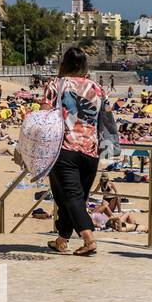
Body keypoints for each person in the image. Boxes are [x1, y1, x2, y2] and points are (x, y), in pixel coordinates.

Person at [42, 47, 105, 256]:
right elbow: (106, 120)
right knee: (73, 198)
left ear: (64, 64)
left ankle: (89, 240)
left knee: (70, 196)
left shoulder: (56, 85)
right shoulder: (97, 88)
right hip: (91, 151)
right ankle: (62, 239)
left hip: (64, 148)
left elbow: (44, 115)